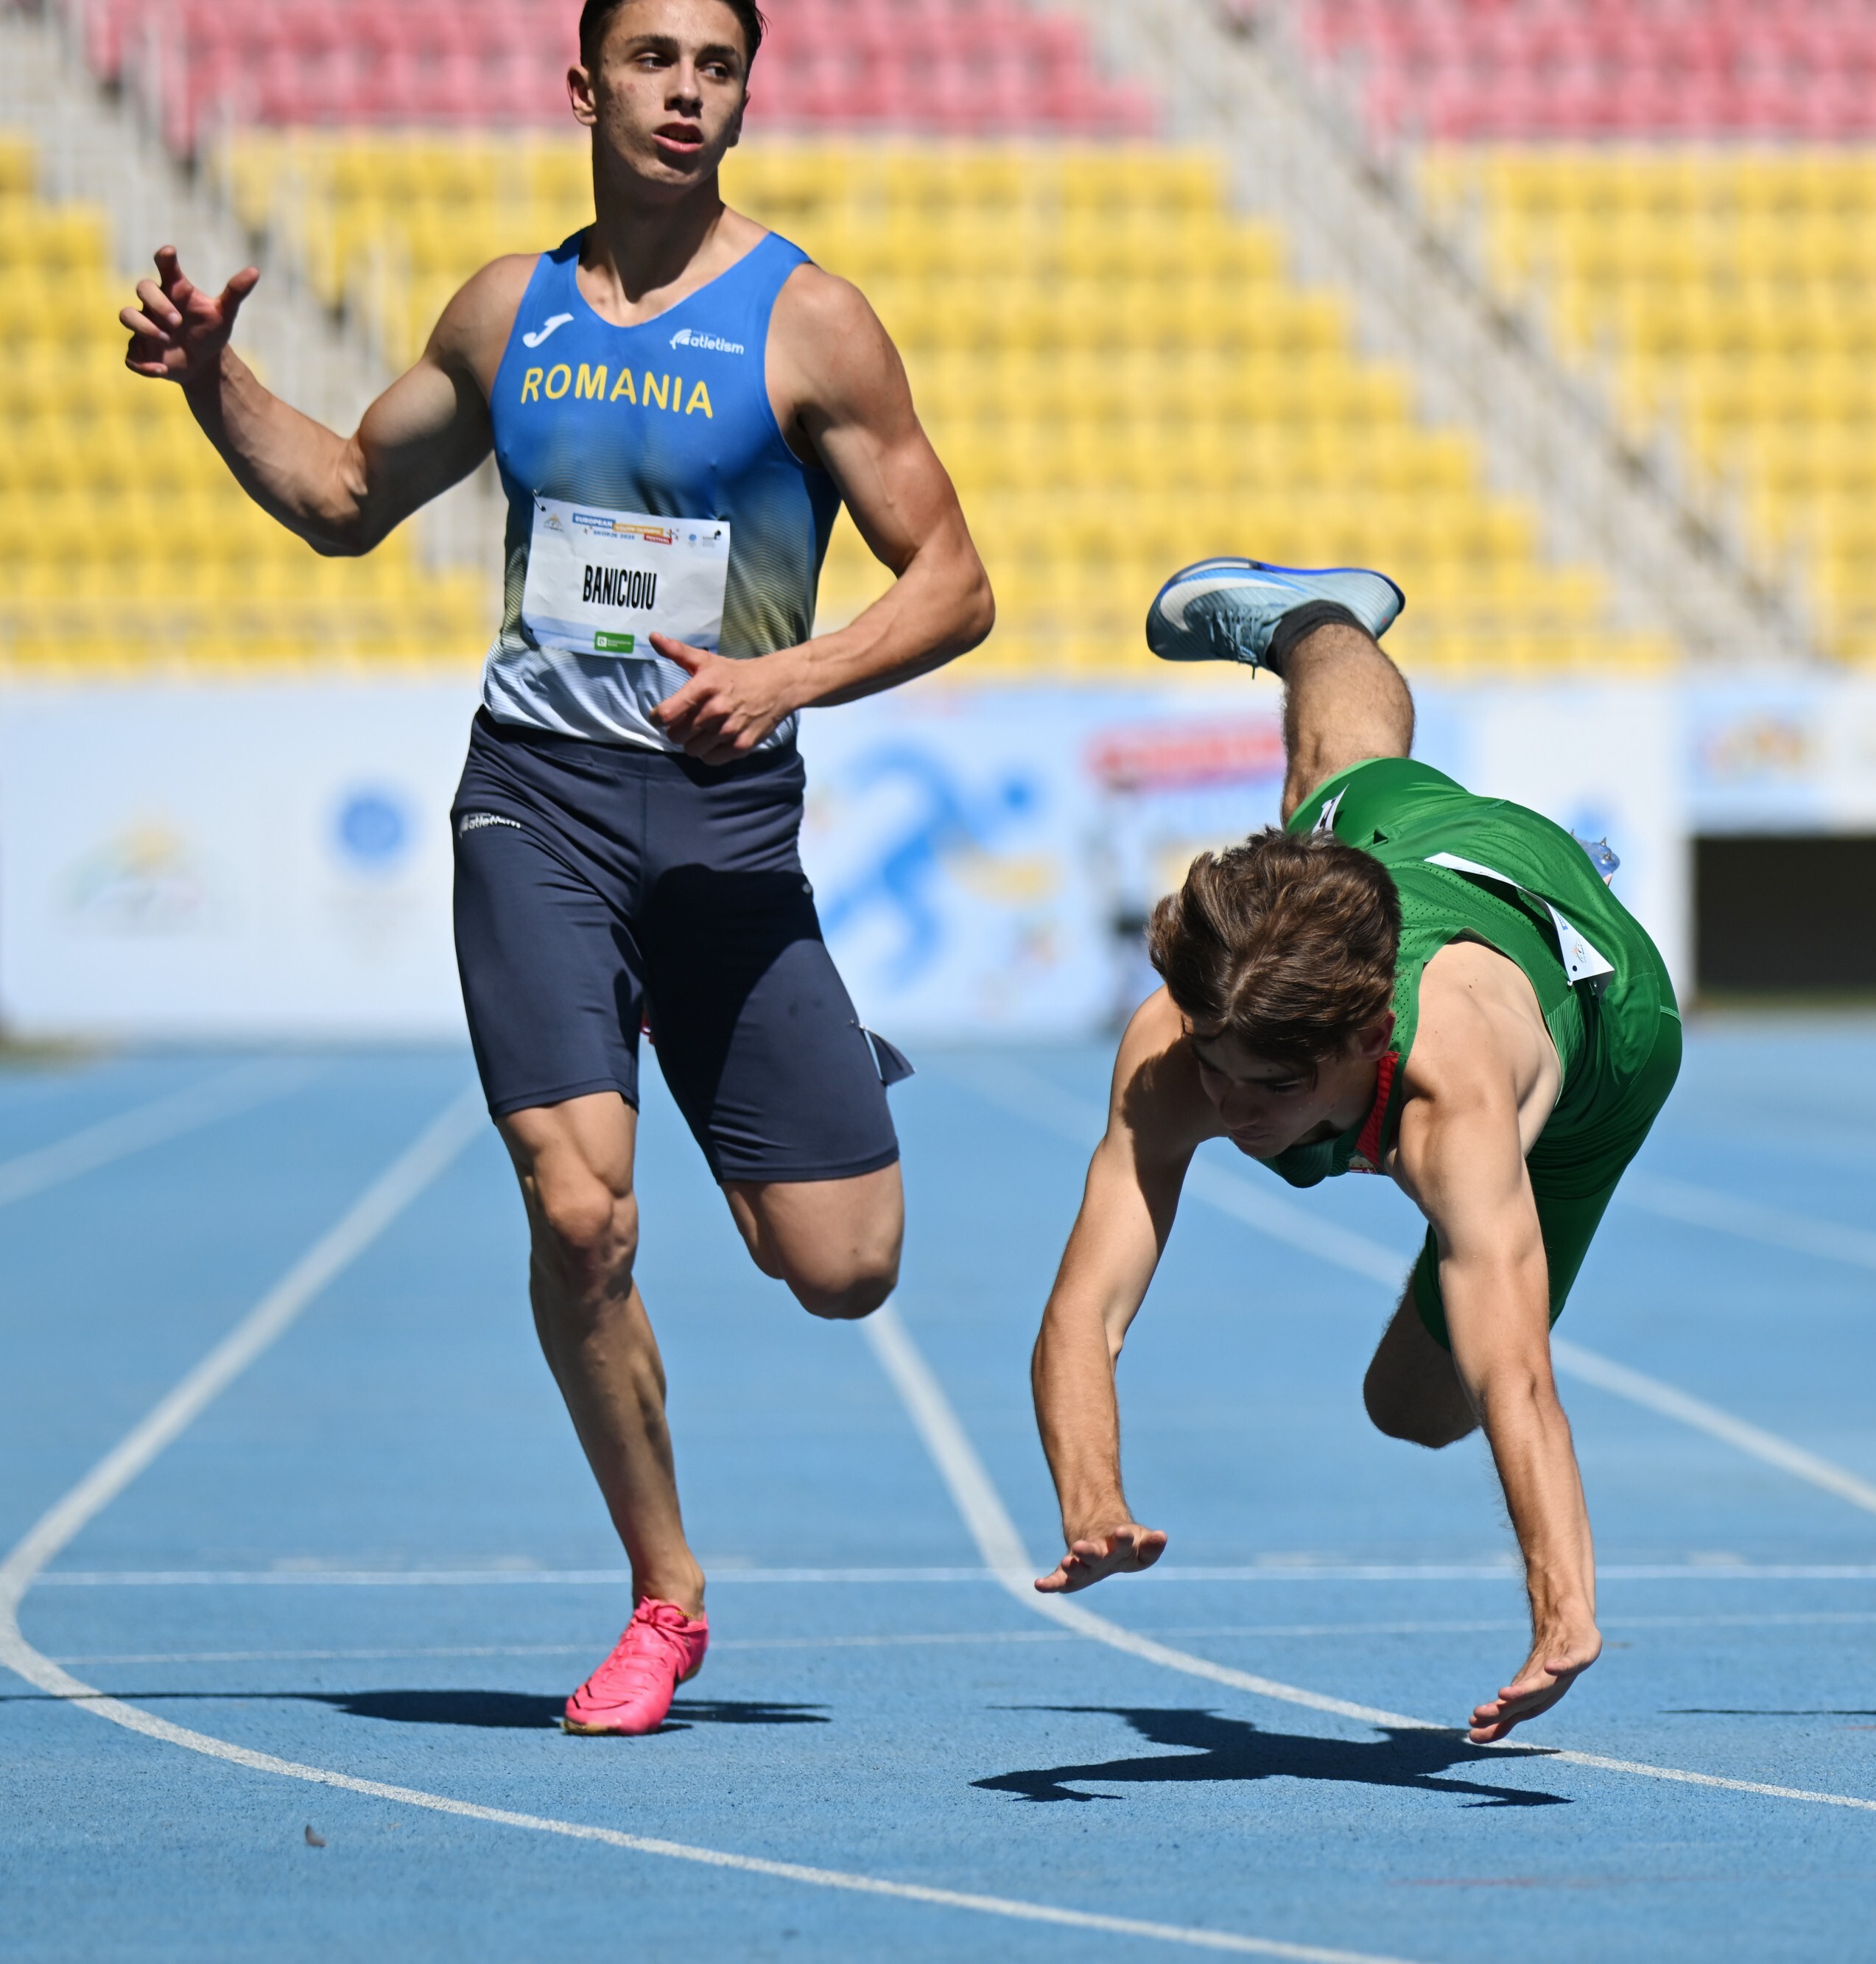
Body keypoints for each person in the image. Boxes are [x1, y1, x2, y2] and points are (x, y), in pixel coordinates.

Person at [121, 0, 994, 1736]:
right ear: (585, 85)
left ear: (743, 99)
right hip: (538, 802)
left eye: (718, 67)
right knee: (580, 1212)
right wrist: (219, 383)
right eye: (655, 60)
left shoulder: (809, 321)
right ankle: (664, 1596)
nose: (687, 92)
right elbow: (348, 495)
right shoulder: (505, 313)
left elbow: (954, 583)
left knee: (842, 1267)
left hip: (725, 826)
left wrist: (788, 676)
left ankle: (742, 1037)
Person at [1026, 557, 1684, 1743]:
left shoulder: (1454, 1102)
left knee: (1418, 1404)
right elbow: (1087, 1306)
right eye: (1215, 1066)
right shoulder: (1186, 1037)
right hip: (1403, 850)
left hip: (1606, 1038)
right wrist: (1092, 1499)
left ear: (1366, 1040)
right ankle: (1312, 622)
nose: (1227, 1107)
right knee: (1331, 780)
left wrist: (1563, 1609)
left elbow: (1516, 1376)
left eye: (1271, 1085)